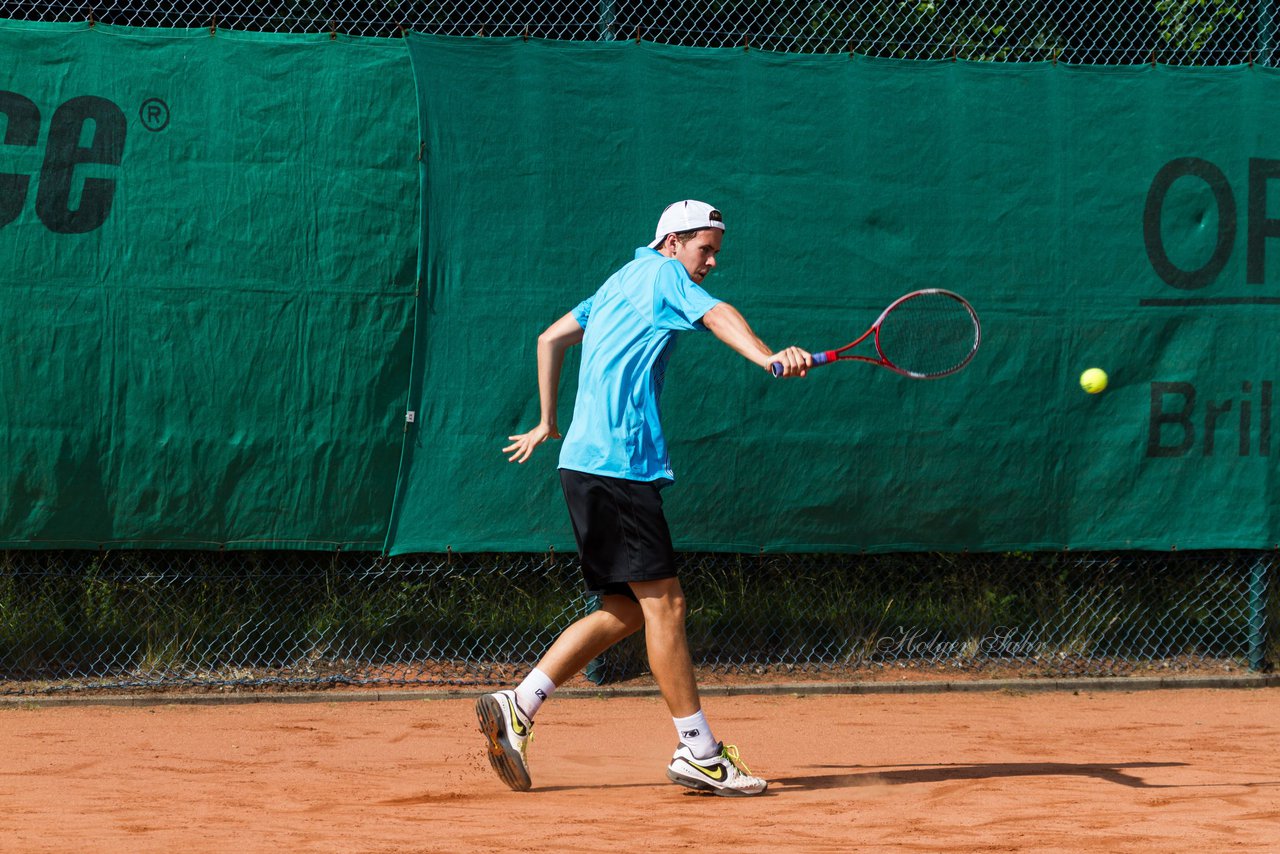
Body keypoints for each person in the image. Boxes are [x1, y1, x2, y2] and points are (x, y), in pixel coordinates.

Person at [477, 199, 811, 797]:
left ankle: (518, 704)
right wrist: (767, 356)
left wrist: (549, 420)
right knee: (668, 608)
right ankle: (700, 753)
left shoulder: (618, 282)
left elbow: (550, 338)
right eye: (703, 249)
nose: (709, 263)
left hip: (582, 463)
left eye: (715, 253)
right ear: (671, 242)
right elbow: (716, 315)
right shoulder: (663, 275)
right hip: (619, 467)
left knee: (626, 609)